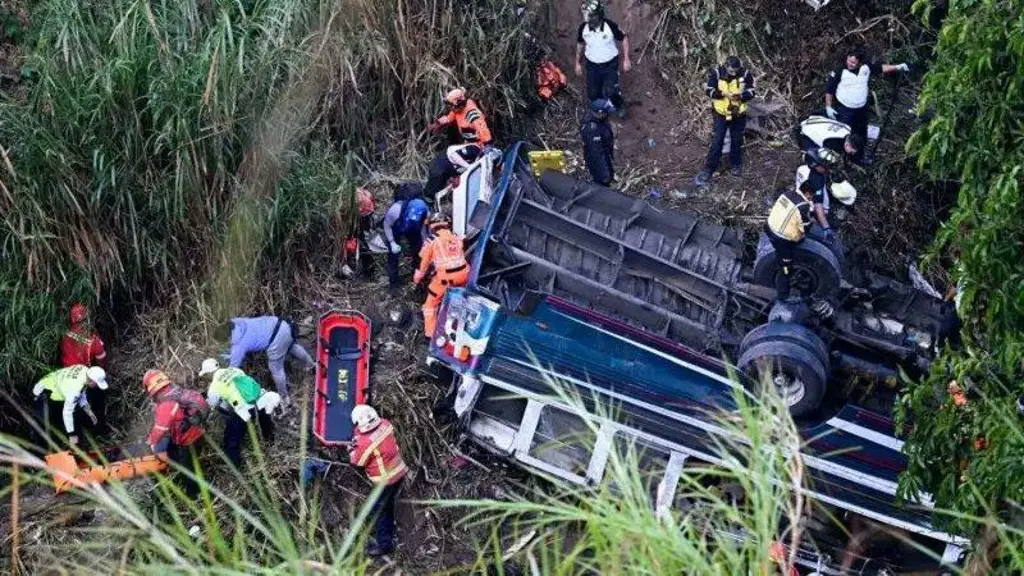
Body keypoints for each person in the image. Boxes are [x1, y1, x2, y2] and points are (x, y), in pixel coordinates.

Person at [346, 404, 408, 557]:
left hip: (385, 481)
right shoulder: (386, 424)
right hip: (399, 472)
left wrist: (351, 450)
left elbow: (357, 462)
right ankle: (390, 529)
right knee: (388, 504)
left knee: (378, 511)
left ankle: (384, 545)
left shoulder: (365, 442)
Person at [824, 48, 909, 159]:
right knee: (843, 133)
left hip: (861, 108)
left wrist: (897, 67)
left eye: (853, 62)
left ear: (859, 62)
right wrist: (828, 106)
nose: (850, 64)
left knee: (861, 133)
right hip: (845, 109)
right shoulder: (840, 70)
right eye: (849, 60)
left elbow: (880, 68)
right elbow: (830, 89)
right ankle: (841, 158)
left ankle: (858, 156)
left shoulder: (866, 67)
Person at [199, 358, 280, 468]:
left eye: (205, 375)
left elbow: (213, 406)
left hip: (244, 409)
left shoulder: (214, 387)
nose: (206, 378)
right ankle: (271, 445)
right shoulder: (234, 369)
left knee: (231, 437)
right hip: (260, 399)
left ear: (208, 373)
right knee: (265, 424)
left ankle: (234, 465)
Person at [143, 369, 208, 497]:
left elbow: (160, 429)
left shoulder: (166, 403)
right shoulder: (175, 391)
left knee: (188, 469)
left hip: (190, 438)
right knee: (176, 453)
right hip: (195, 430)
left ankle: (194, 494)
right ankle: (180, 469)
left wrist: (150, 442)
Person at [220, 315, 315, 400]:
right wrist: (230, 354)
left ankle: (284, 398)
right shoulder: (237, 322)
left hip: (275, 340)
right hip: (282, 324)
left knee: (276, 369)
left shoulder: (239, 345)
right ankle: (312, 365)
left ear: (228, 338)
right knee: (291, 346)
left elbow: (232, 369)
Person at [695, 56, 755, 186]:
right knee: (717, 140)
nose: (733, 73)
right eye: (731, 71)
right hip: (721, 113)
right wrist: (722, 94)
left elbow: (751, 91)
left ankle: (736, 165)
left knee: (736, 140)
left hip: (738, 113)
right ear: (726, 67)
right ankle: (709, 168)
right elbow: (709, 90)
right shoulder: (717, 73)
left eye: (736, 70)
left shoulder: (745, 74)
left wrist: (741, 96)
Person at [413, 214, 471, 339]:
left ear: (432, 226)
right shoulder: (456, 237)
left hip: (446, 279)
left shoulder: (431, 240)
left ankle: (430, 336)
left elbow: (424, 263)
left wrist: (417, 279)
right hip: (465, 276)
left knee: (429, 305)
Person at [765, 180, 817, 302]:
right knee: (785, 269)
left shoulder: (787, 194)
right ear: (808, 194)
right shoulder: (803, 207)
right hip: (780, 238)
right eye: (812, 196)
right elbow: (805, 229)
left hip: (769, 227)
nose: (812, 198)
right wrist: (811, 220)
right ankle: (783, 296)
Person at [60, 303, 109, 433]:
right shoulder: (93, 340)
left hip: (66, 375)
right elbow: (102, 359)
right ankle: (99, 428)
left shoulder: (65, 333)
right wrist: (102, 371)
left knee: (73, 407)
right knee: (97, 396)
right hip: (83, 376)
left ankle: (77, 433)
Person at [575, 1, 631, 115]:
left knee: (611, 90)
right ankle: (602, 109)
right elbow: (580, 44)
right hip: (592, 65)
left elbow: (624, 38)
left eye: (590, 16)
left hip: (610, 65)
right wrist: (577, 63)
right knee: (593, 95)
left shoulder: (609, 26)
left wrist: (626, 59)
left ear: (598, 15)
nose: (587, 19)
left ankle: (619, 105)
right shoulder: (583, 28)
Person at [32, 365, 108, 446]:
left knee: (68, 420)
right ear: (91, 381)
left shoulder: (84, 369)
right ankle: (37, 448)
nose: (97, 387)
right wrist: (71, 434)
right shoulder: (74, 389)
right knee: (41, 425)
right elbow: (67, 412)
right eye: (97, 384)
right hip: (43, 393)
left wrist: (89, 412)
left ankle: (67, 442)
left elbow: (81, 394)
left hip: (52, 384)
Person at [383, 188, 430, 290]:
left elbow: (425, 229)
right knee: (393, 255)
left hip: (413, 228)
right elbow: (387, 225)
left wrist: (425, 243)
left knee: (418, 251)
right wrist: (392, 242)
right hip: (397, 226)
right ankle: (393, 283)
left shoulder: (424, 210)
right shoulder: (395, 210)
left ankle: (417, 277)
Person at [794, 147, 849, 225]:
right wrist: (826, 226)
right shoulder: (815, 181)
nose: (827, 168)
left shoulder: (801, 169)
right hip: (810, 210)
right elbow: (818, 205)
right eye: (825, 166)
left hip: (801, 198)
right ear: (815, 165)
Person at [428, 88, 493, 146]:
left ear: (460, 104)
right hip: (467, 143)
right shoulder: (457, 110)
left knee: (451, 152)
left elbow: (483, 130)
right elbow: (449, 118)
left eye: (452, 106)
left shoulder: (472, 114)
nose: (451, 109)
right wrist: (437, 123)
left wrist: (488, 146)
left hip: (478, 145)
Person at [340, 187, 378, 279]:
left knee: (358, 240)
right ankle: (368, 271)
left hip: (362, 215)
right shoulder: (362, 192)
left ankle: (364, 270)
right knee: (362, 240)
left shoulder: (351, 197)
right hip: (366, 214)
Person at [796, 115, 865, 162]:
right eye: (852, 151)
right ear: (847, 145)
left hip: (815, 119)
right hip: (803, 131)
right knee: (821, 157)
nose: (851, 153)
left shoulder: (848, 128)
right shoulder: (833, 143)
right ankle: (805, 155)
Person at [580, 99, 615, 186]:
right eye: (606, 112)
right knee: (602, 183)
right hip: (597, 163)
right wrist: (604, 174)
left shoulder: (600, 121)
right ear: (599, 113)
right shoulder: (592, 130)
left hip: (604, 154)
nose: (608, 115)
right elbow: (597, 154)